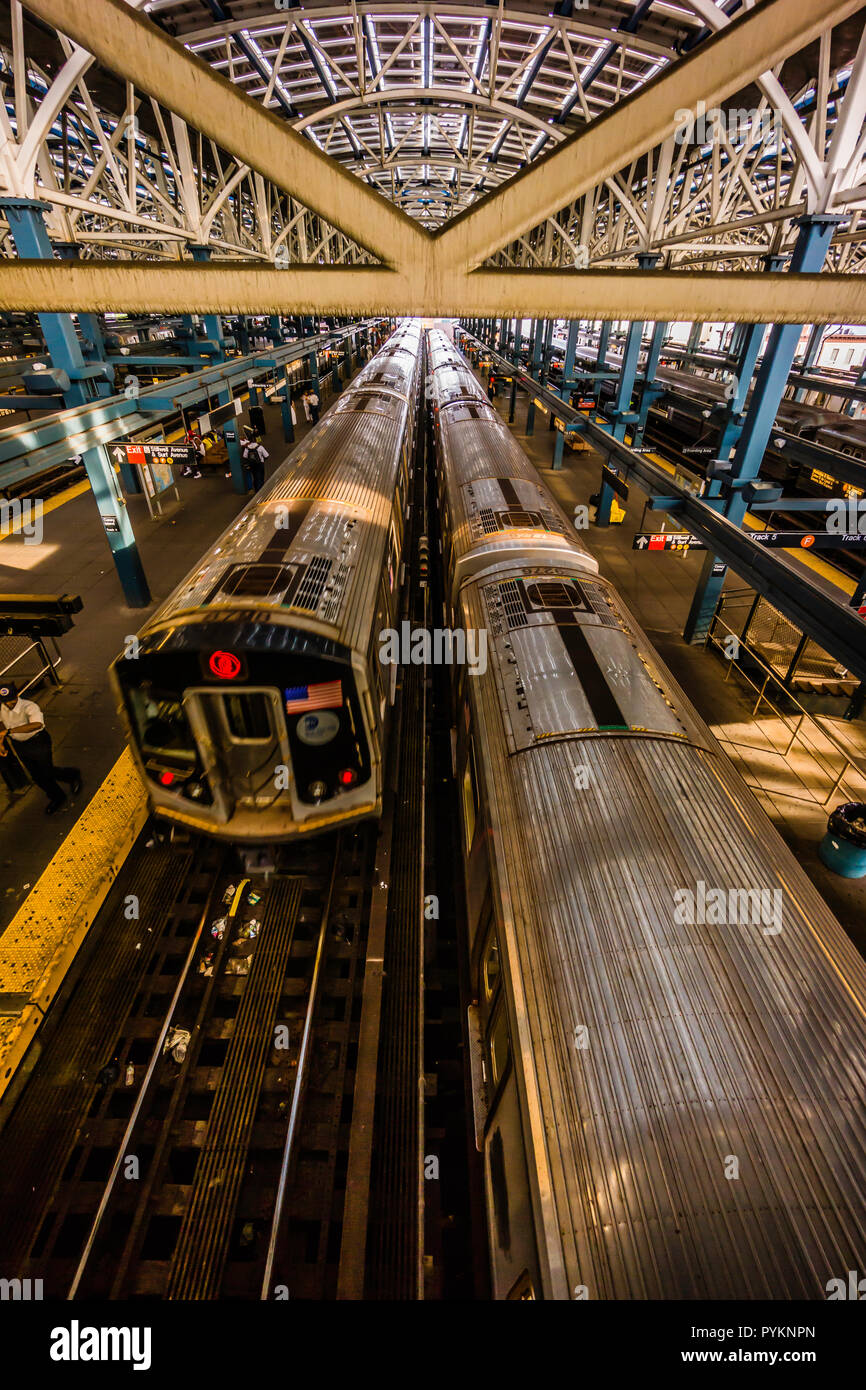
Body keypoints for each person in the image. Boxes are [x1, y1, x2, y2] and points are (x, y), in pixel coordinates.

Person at [0, 682, 81, 814]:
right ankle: (57, 796)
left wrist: (9, 731)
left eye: (11, 700)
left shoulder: (29, 707)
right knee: (36, 776)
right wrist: (1, 744)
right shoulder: (2, 707)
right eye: (5, 702)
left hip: (38, 742)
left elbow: (36, 725)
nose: (8, 704)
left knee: (47, 771)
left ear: (17, 696)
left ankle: (72, 775)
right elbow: (1, 725)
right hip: (19, 744)